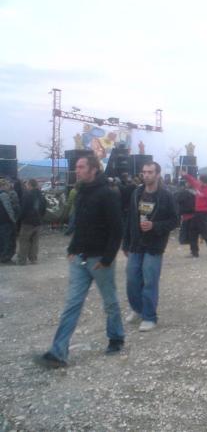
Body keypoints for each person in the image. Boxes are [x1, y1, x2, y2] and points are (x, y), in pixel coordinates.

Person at [35, 155, 124, 368]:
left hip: (100, 260)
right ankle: (58, 353)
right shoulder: (81, 192)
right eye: (77, 167)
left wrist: (107, 259)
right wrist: (72, 249)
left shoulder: (108, 194)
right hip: (79, 258)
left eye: (81, 167)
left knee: (110, 302)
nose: (77, 170)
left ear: (93, 169)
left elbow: (117, 229)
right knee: (72, 304)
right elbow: (79, 224)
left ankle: (116, 337)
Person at [123, 162, 177, 332]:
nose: (146, 175)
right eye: (144, 172)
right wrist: (126, 242)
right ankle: (137, 309)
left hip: (154, 245)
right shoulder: (136, 193)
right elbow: (130, 219)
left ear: (158, 174)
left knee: (150, 281)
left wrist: (155, 226)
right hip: (136, 244)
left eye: (150, 172)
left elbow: (175, 220)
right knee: (132, 279)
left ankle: (149, 317)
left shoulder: (166, 196)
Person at [17, 179, 47, 265]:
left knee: (24, 241)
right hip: (38, 222)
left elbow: (23, 210)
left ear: (30, 185)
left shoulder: (27, 195)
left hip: (27, 222)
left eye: (27, 185)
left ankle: (22, 260)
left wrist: (19, 220)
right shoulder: (41, 195)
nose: (26, 186)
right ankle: (33, 259)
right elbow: (44, 209)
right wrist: (40, 217)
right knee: (35, 241)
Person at [0, 178, 19, 264]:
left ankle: (2, 257)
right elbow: (8, 209)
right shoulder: (4, 195)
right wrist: (13, 220)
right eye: (7, 185)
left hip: (1, 221)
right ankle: (6, 258)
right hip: (6, 221)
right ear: (3, 185)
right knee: (7, 240)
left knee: (2, 240)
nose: (8, 187)